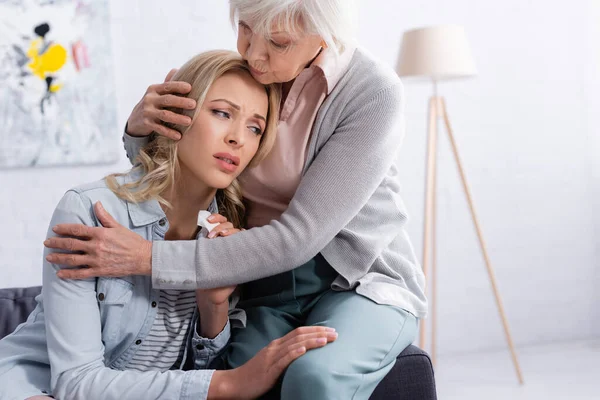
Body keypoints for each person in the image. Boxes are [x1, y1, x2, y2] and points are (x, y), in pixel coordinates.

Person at [45, 0, 429, 398]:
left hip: (357, 280)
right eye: (245, 28)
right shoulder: (250, 73)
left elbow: (298, 237)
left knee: (315, 377)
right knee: (235, 377)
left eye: (278, 42)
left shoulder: (372, 93)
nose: (253, 54)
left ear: (325, 35)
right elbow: (180, 172)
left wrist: (146, 258)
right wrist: (140, 128)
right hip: (264, 281)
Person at [0, 50, 337, 400]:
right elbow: (77, 382)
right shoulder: (90, 210)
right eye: (222, 113)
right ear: (175, 114)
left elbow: (189, 379)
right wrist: (232, 383)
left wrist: (214, 306)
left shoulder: (232, 233)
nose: (238, 138)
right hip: (34, 384)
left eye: (255, 127)